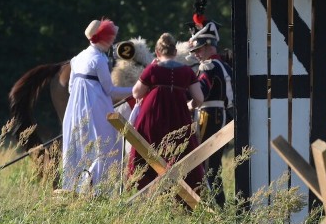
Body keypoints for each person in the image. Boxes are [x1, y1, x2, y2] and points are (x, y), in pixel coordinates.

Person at [127, 33, 205, 194]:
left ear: (157, 51)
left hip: (152, 119)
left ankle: (144, 193)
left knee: (147, 153)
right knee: (181, 154)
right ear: (175, 52)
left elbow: (136, 93)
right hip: (179, 119)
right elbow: (199, 98)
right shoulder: (186, 71)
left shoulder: (152, 69)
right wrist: (190, 105)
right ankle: (184, 196)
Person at [61, 18, 133, 194]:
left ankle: (75, 189)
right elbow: (110, 90)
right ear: (104, 38)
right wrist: (135, 89)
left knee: (77, 147)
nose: (113, 41)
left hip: (75, 110)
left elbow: (71, 88)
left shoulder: (76, 59)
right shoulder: (99, 60)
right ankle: (99, 190)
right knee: (105, 145)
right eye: (111, 37)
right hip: (96, 109)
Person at [189, 19, 234, 208]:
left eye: (199, 49)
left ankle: (215, 207)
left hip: (210, 116)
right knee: (213, 166)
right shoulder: (224, 66)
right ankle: (218, 205)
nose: (197, 54)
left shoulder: (208, 67)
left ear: (208, 46)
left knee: (207, 165)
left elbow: (201, 94)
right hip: (223, 116)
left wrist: (187, 104)